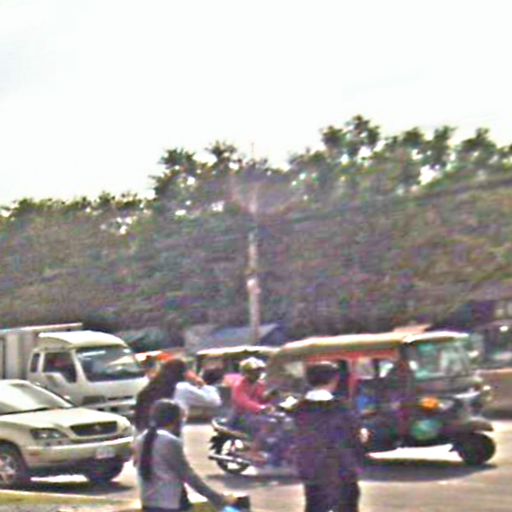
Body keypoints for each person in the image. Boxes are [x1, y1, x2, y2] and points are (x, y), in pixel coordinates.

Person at [134, 398, 236, 512]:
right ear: (175, 420)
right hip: (170, 503)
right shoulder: (169, 441)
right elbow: (188, 475)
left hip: (148, 502)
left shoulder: (141, 439)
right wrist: (216, 498)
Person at [292, 361, 365, 512]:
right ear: (334, 380)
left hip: (311, 466)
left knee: (315, 504)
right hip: (340, 466)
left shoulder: (299, 408)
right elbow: (355, 435)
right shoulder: (340, 407)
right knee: (347, 504)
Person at [134, 358, 221, 432]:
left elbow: (137, 419)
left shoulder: (148, 390)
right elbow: (214, 401)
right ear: (183, 373)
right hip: (171, 435)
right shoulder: (182, 388)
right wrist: (201, 384)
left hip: (146, 438)